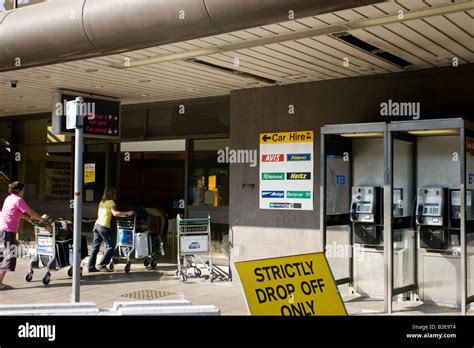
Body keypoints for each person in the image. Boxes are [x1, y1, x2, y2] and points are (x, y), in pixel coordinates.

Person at [0, 182, 45, 291]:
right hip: (8, 231)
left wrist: (28, 219)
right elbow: (30, 212)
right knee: (8, 256)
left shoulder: (9, 198)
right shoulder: (18, 200)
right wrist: (41, 219)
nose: (24, 192)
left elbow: (17, 212)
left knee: (3, 255)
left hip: (2, 229)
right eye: (23, 190)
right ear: (19, 190)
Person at [88, 187, 134, 273]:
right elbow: (115, 213)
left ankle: (90, 267)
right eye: (115, 193)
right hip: (104, 226)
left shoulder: (102, 202)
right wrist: (128, 213)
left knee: (95, 247)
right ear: (111, 194)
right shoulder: (111, 202)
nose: (116, 195)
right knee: (111, 246)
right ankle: (102, 265)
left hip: (97, 225)